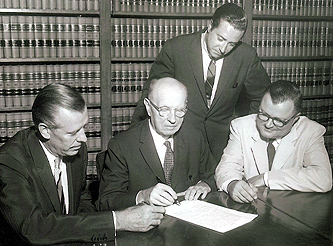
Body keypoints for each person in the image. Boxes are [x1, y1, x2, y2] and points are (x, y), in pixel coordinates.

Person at [0, 83, 165, 245]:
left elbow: (82, 200)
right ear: (45, 130)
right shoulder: (9, 161)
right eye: (72, 132)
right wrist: (118, 220)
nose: (83, 139)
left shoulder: (76, 149)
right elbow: (34, 228)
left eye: (84, 127)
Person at [130, 3, 271, 162]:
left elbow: (263, 97)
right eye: (220, 38)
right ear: (210, 25)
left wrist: (244, 131)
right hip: (181, 141)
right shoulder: (176, 49)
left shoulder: (246, 56)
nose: (223, 48)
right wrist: (135, 139)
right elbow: (152, 94)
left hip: (222, 146)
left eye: (232, 44)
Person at [98, 77, 217, 211]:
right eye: (164, 110)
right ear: (148, 107)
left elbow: (214, 174)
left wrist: (205, 184)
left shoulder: (195, 137)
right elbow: (106, 201)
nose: (173, 120)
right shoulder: (121, 145)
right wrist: (142, 196)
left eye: (180, 111)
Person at [215, 80, 332, 204]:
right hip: (252, 208)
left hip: (290, 209)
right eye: (263, 114)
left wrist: (266, 178)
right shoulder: (241, 127)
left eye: (278, 121)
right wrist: (232, 184)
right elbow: (226, 167)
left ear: (295, 119)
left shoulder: (311, 131)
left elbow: (323, 178)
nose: (268, 124)